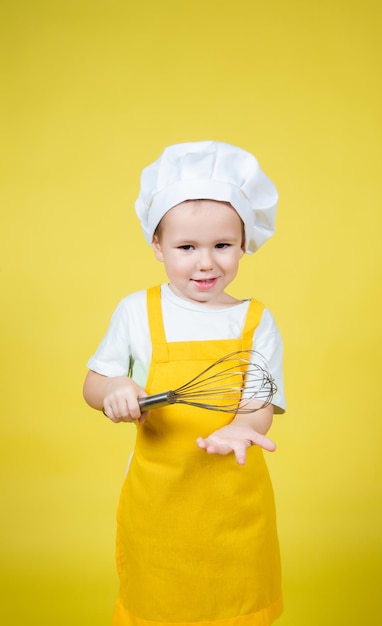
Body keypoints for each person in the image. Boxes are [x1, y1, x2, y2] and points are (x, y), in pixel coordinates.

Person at [83, 140, 286, 626]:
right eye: (186, 247)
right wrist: (113, 390)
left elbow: (259, 401)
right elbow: (94, 382)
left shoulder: (256, 321)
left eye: (222, 245)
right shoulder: (137, 311)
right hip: (159, 508)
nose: (205, 263)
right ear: (157, 246)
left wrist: (241, 425)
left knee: (235, 608)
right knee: (159, 604)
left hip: (234, 506)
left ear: (244, 244)